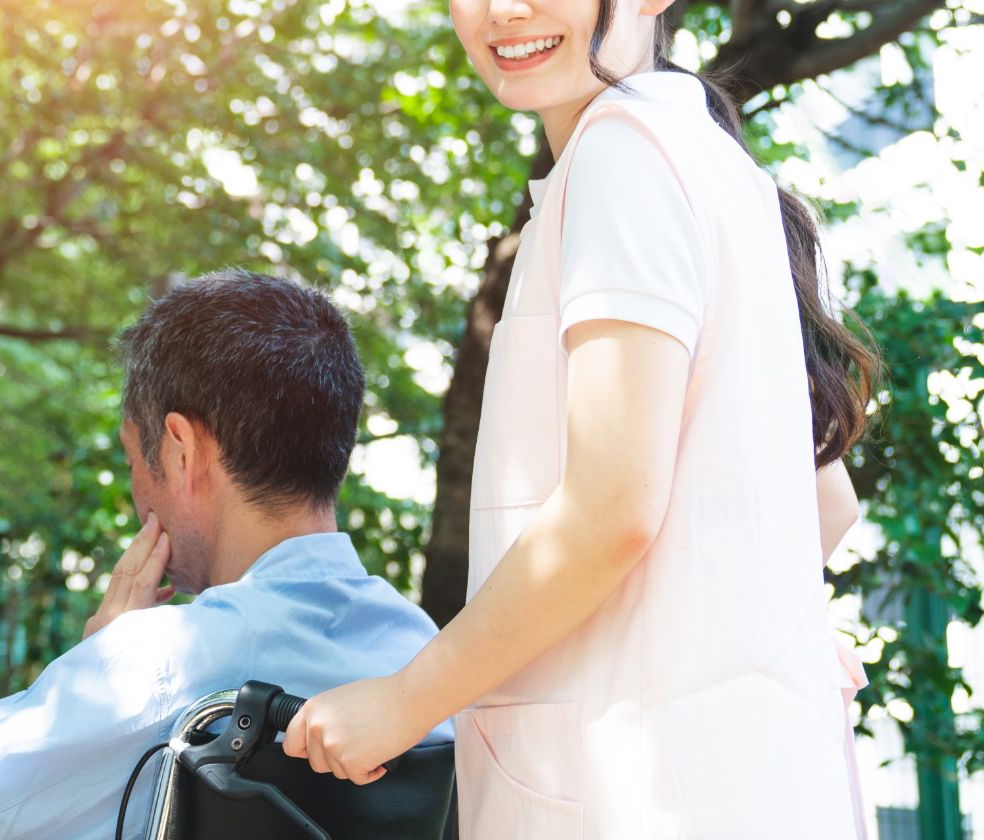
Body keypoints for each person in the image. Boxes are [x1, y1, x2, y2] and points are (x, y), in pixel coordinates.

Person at [283, 1, 881, 838]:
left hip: (638, 798)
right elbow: (827, 504)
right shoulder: (712, 164)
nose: (502, 10)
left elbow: (610, 506)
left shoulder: (622, 158)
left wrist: (405, 700)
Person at [0, 270, 452, 840]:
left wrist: (98, 660)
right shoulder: (428, 655)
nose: (138, 492)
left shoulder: (160, 665)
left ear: (182, 451)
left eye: (135, 461)